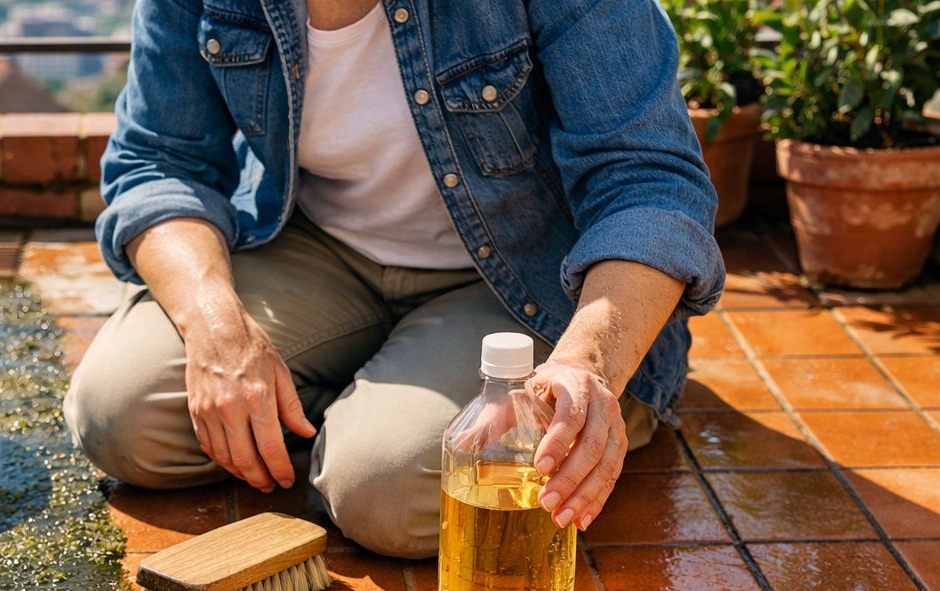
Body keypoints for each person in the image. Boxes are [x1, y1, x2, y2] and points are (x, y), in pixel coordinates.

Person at [64, 0, 724, 558]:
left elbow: (649, 185)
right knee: (121, 416)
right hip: (317, 243)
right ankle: (355, 407)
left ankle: (606, 409)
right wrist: (217, 327)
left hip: (530, 279)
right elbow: (157, 160)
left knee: (385, 494)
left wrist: (593, 366)